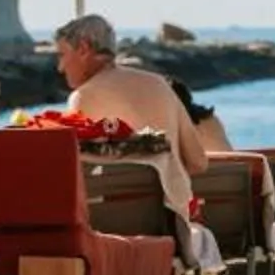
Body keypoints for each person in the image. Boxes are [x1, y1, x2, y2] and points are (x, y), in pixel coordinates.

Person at [53, 13, 209, 222]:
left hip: (114, 225)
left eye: (62, 55)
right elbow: (198, 162)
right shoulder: (159, 85)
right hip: (174, 223)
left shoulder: (83, 97)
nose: (60, 67)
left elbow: (73, 177)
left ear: (83, 48)